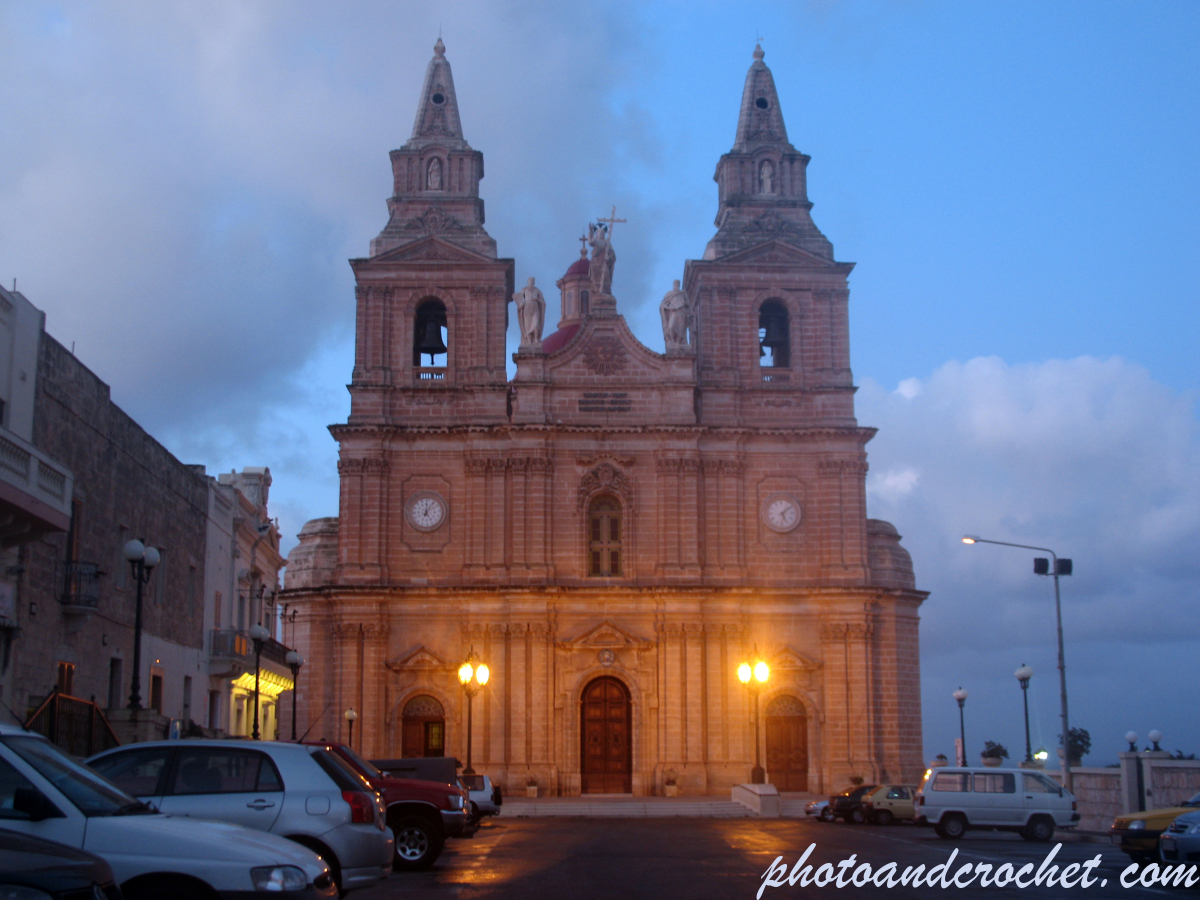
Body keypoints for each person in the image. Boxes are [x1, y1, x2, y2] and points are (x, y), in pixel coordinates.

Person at [514, 276, 546, 347]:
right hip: (527, 308)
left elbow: (543, 302)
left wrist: (537, 299)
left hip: (535, 307)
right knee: (527, 326)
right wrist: (521, 303)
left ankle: (536, 339)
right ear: (528, 282)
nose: (532, 281)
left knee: (536, 324)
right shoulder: (524, 290)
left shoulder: (537, 291)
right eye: (530, 280)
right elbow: (518, 298)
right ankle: (529, 341)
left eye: (533, 280)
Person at [588, 223, 615, 295]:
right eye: (598, 232)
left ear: (604, 234)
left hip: (604, 263)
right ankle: (597, 292)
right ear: (596, 233)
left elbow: (612, 253)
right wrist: (591, 230)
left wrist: (609, 257)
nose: (600, 234)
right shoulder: (595, 241)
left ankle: (606, 292)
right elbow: (590, 242)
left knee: (606, 276)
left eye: (602, 232)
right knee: (595, 279)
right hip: (595, 263)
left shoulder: (607, 242)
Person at [660, 279, 689, 347]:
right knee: (671, 326)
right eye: (675, 283)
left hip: (682, 312)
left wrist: (684, 302)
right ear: (673, 285)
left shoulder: (683, 293)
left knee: (681, 328)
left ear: (679, 285)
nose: (676, 285)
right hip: (673, 312)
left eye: (677, 284)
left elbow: (688, 303)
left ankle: (678, 342)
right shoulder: (669, 294)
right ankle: (672, 341)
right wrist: (669, 308)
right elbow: (662, 305)